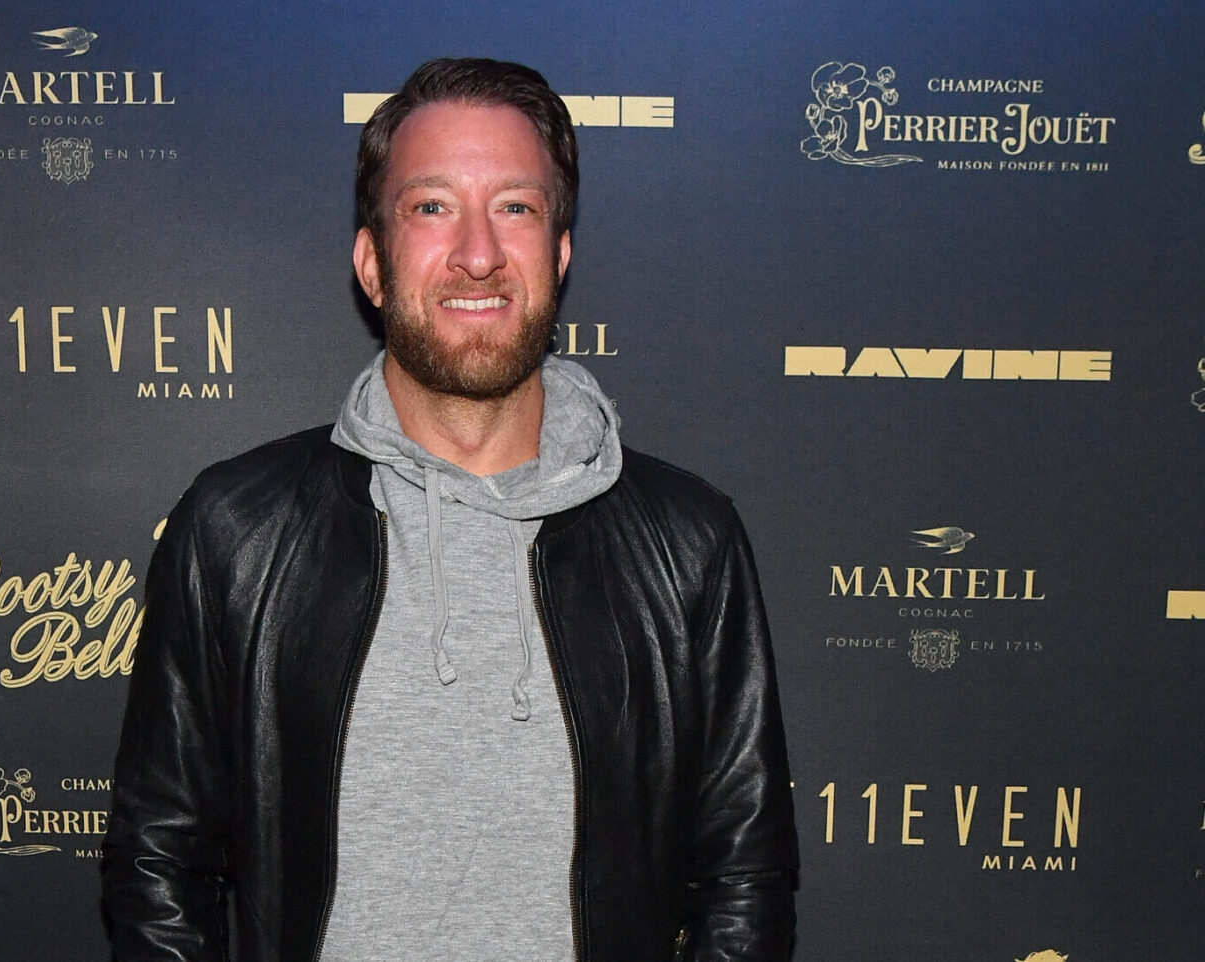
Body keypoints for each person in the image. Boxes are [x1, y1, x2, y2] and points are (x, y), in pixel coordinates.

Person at [101, 57, 799, 962]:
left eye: (516, 207)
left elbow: (743, 879)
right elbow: (160, 863)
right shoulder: (237, 530)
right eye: (432, 206)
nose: (478, 252)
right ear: (372, 263)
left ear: (559, 255)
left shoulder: (688, 543)